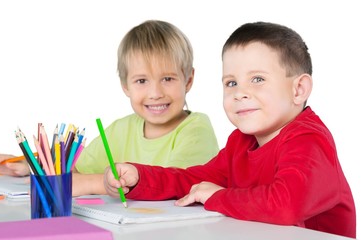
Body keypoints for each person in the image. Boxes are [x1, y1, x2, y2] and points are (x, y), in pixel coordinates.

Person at [103, 21, 356, 238]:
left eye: (257, 79)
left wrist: (218, 197)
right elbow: (195, 180)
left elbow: (285, 205)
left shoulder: (308, 139)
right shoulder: (241, 142)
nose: (239, 93)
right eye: (231, 82)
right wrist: (140, 177)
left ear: (298, 90)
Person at [0, 20, 220, 197]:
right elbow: (70, 168)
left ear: (188, 80)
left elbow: (176, 185)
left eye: (167, 79)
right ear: (126, 85)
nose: (155, 93)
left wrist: (94, 185)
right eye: (141, 81)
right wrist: (29, 165)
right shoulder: (121, 129)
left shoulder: (196, 128)